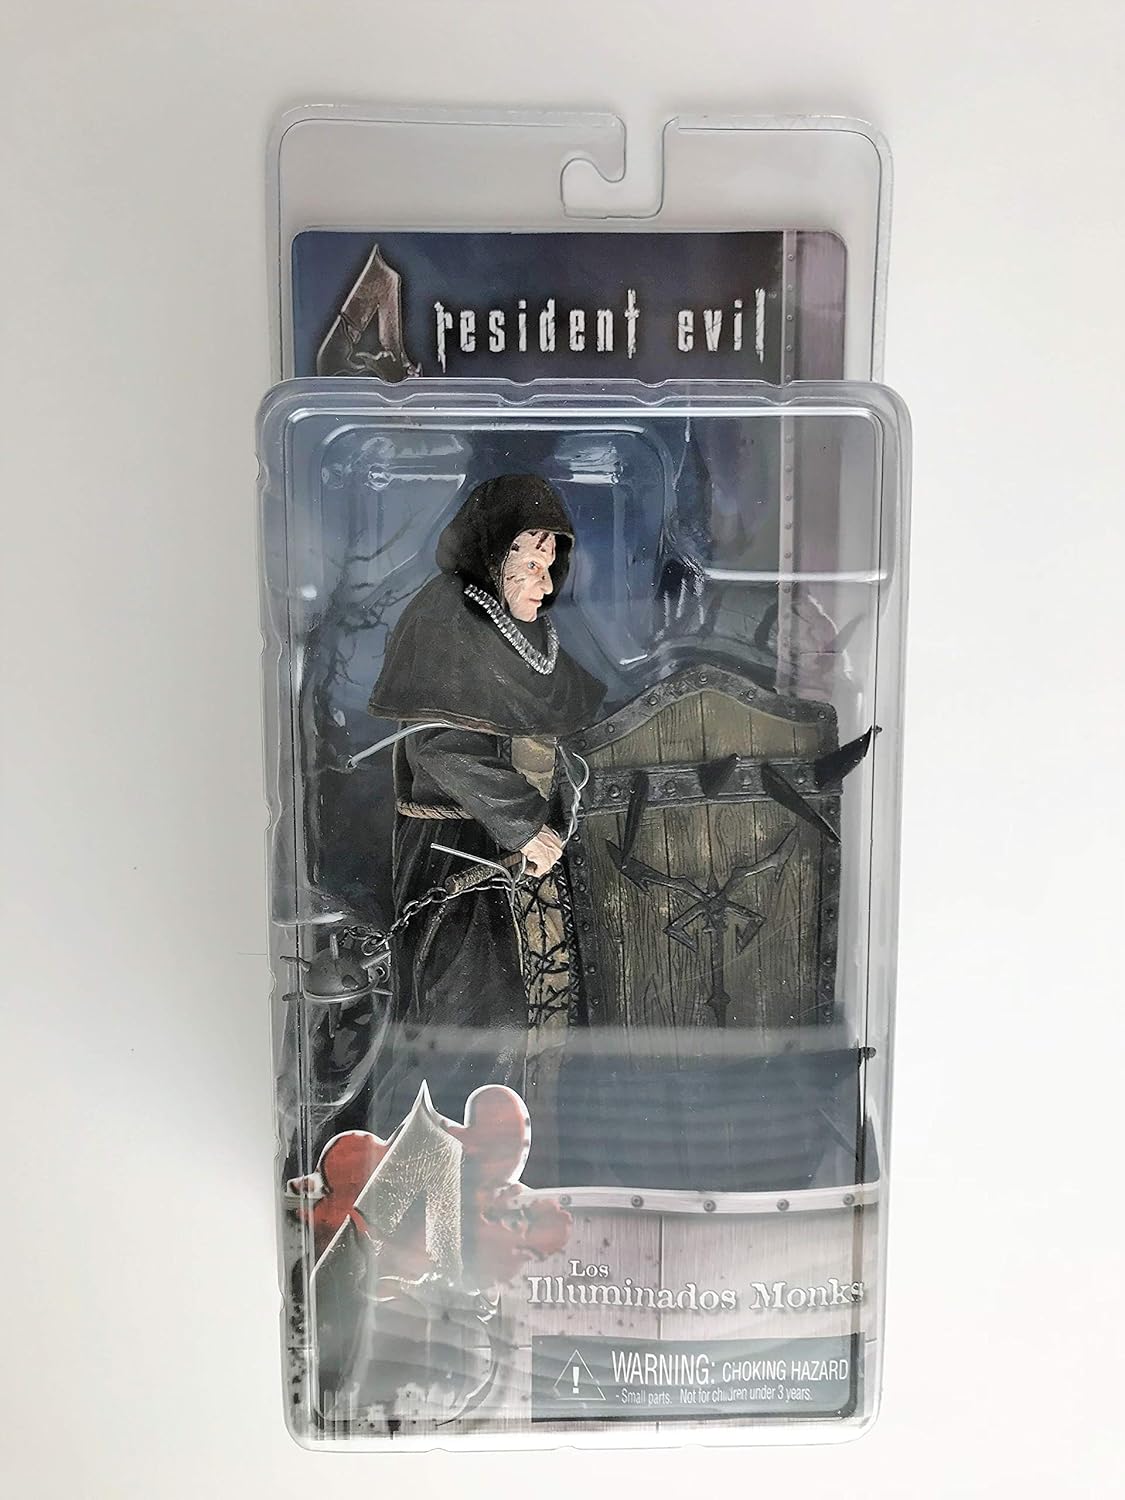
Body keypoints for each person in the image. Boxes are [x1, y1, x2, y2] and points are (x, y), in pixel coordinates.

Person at [366, 474, 604, 1139]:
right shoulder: (445, 618)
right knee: (469, 1012)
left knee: (543, 1006)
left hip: (525, 854)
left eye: (550, 562)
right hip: (458, 856)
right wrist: (524, 825)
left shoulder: (527, 632)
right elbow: (442, 746)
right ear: (494, 554)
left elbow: (566, 727)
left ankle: (524, 1152)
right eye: (529, 562)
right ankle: (440, 1153)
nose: (545, 581)